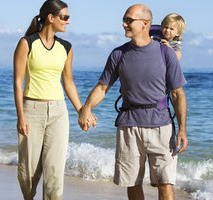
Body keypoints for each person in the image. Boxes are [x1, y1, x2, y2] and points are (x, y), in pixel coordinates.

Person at [78, 4, 188, 200]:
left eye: (129, 20)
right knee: (132, 182)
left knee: (165, 182)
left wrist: (182, 129)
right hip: (129, 126)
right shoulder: (118, 54)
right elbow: (103, 87)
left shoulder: (166, 53)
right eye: (124, 20)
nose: (124, 24)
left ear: (145, 23)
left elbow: (177, 93)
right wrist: (86, 108)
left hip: (161, 126)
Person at [13, 0, 86, 199]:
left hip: (58, 112)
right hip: (31, 110)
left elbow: (68, 82)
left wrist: (82, 110)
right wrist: (21, 116)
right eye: (64, 17)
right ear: (50, 18)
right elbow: (18, 83)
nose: (68, 22)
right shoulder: (27, 43)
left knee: (54, 170)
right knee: (28, 172)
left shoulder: (66, 47)